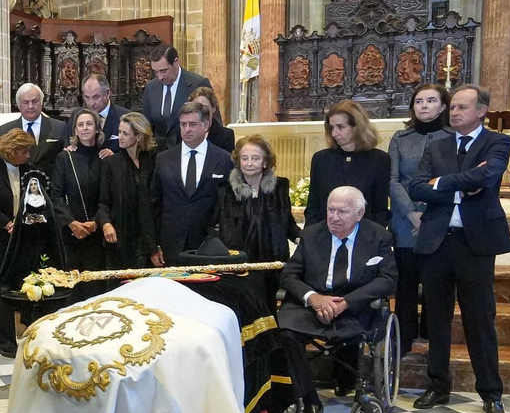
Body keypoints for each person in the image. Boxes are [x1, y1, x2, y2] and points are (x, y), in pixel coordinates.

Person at [409, 83, 510, 413]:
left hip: (476, 242)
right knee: (436, 319)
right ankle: (438, 385)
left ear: (481, 110)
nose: (454, 113)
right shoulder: (436, 145)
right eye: (452, 108)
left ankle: (491, 393)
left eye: (462, 108)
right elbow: (417, 187)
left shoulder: (498, 141)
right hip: (437, 240)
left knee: (479, 319)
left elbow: (489, 174)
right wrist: (460, 184)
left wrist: (442, 183)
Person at [276, 186, 397, 413]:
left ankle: (355, 388)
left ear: (359, 214)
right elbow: (289, 275)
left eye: (342, 211)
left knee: (359, 331)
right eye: (331, 210)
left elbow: (388, 279)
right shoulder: (311, 235)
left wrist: (348, 302)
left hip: (354, 307)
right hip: (313, 305)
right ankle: (310, 401)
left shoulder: (378, 237)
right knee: (285, 331)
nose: (334, 217)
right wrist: (314, 298)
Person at [386, 83, 451, 354]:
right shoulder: (401, 138)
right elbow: (393, 180)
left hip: (439, 219)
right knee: (406, 282)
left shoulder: (452, 137)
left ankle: (433, 333)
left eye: (431, 101)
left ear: (443, 106)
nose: (424, 106)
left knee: (437, 283)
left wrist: (427, 216)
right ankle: (405, 335)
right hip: (404, 220)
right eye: (419, 101)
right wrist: (412, 214)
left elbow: (451, 180)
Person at [214, 135, 298, 301]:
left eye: (255, 158)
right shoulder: (226, 190)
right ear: (238, 161)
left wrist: (301, 238)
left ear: (265, 162)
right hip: (238, 263)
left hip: (271, 262)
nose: (249, 163)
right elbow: (213, 225)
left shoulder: (279, 188)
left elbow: (287, 223)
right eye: (244, 158)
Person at [150, 99, 232, 265]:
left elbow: (228, 206)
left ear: (206, 125)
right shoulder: (163, 159)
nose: (187, 129)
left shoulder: (223, 159)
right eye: (183, 124)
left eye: (192, 124)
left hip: (209, 246)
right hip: (171, 245)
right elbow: (154, 204)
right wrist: (154, 245)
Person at [0, 129, 36, 357]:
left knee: (26, 283)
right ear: (12, 151)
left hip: (23, 237)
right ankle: (5, 343)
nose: (28, 155)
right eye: (24, 151)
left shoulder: (29, 170)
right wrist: (7, 224)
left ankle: (29, 332)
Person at [307, 99, 390, 229]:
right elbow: (313, 206)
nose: (334, 133)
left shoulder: (379, 160)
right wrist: (311, 238)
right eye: (331, 127)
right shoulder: (321, 159)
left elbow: (380, 209)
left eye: (340, 127)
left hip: (364, 236)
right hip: (325, 234)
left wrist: (372, 239)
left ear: (357, 127)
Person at [52, 108, 106, 298]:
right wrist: (72, 223)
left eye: (89, 124)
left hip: (97, 235)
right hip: (71, 234)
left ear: (97, 129)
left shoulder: (105, 158)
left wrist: (96, 222)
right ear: (74, 130)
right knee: (73, 290)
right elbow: (56, 195)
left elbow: (109, 197)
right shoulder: (64, 158)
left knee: (95, 289)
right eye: (80, 125)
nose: (85, 128)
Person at [96, 111, 157, 271]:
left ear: (138, 136)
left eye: (125, 133)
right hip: (119, 235)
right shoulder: (111, 163)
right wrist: (106, 223)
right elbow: (103, 201)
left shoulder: (152, 162)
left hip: (145, 236)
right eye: (119, 132)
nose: (120, 137)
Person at [141, 44, 208, 150]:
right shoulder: (151, 88)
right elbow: (147, 125)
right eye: (156, 72)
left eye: (164, 71)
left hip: (189, 151)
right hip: (158, 156)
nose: (160, 77)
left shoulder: (197, 84)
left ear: (176, 62)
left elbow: (210, 122)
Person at [0, 83, 68, 171]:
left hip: (50, 182)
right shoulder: (6, 130)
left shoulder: (59, 127)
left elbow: (67, 157)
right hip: (17, 181)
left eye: (35, 101)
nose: (31, 106)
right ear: (18, 105)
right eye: (25, 102)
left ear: (41, 102)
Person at [187, 84, 236, 152]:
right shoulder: (185, 132)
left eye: (205, 107)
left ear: (213, 108)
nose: (201, 111)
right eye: (197, 107)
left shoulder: (225, 135)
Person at [82, 73, 122, 151]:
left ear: (107, 93)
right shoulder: (76, 116)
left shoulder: (123, 116)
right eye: (87, 97)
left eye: (95, 97)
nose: (91, 103)